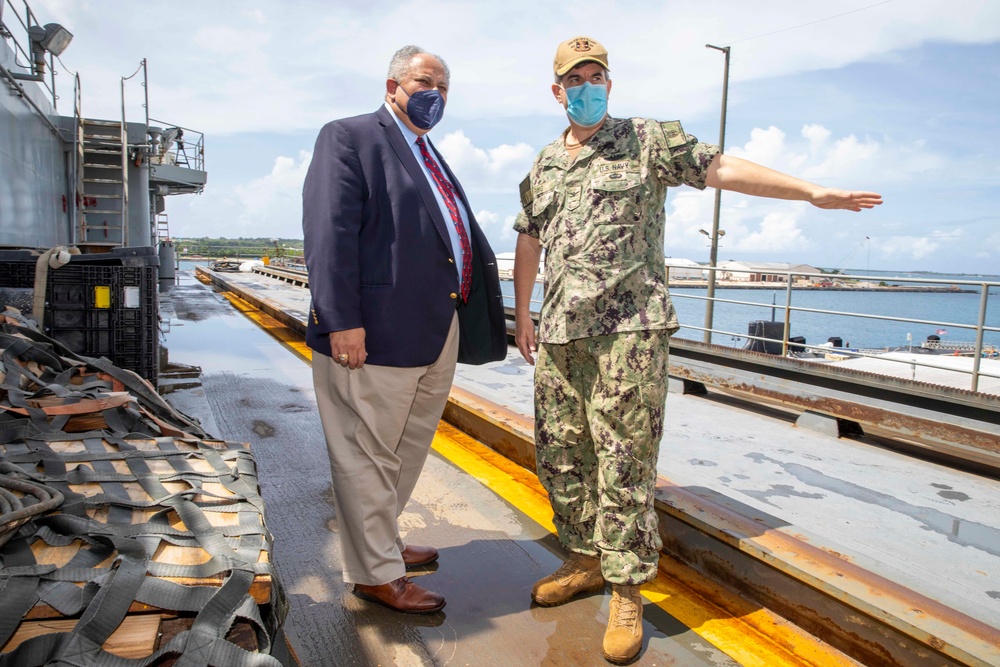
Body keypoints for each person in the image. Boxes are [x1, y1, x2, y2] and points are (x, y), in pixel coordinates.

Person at [513, 36, 882, 663]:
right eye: (575, 78)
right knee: (563, 452)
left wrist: (812, 191)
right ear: (556, 91)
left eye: (596, 75)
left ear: (610, 82)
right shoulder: (545, 163)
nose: (587, 86)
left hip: (630, 331)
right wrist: (523, 313)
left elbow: (720, 169)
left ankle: (627, 587)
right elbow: (528, 238)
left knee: (624, 454)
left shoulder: (648, 141)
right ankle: (584, 559)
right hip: (559, 334)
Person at [303, 45, 507, 615]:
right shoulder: (350, 137)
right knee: (366, 454)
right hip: (374, 334)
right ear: (393, 84)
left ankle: (383, 543)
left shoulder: (427, 153)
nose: (435, 93)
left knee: (405, 449)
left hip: (433, 329)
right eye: (425, 81)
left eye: (444, 86)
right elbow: (329, 233)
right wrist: (342, 320)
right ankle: (374, 573)